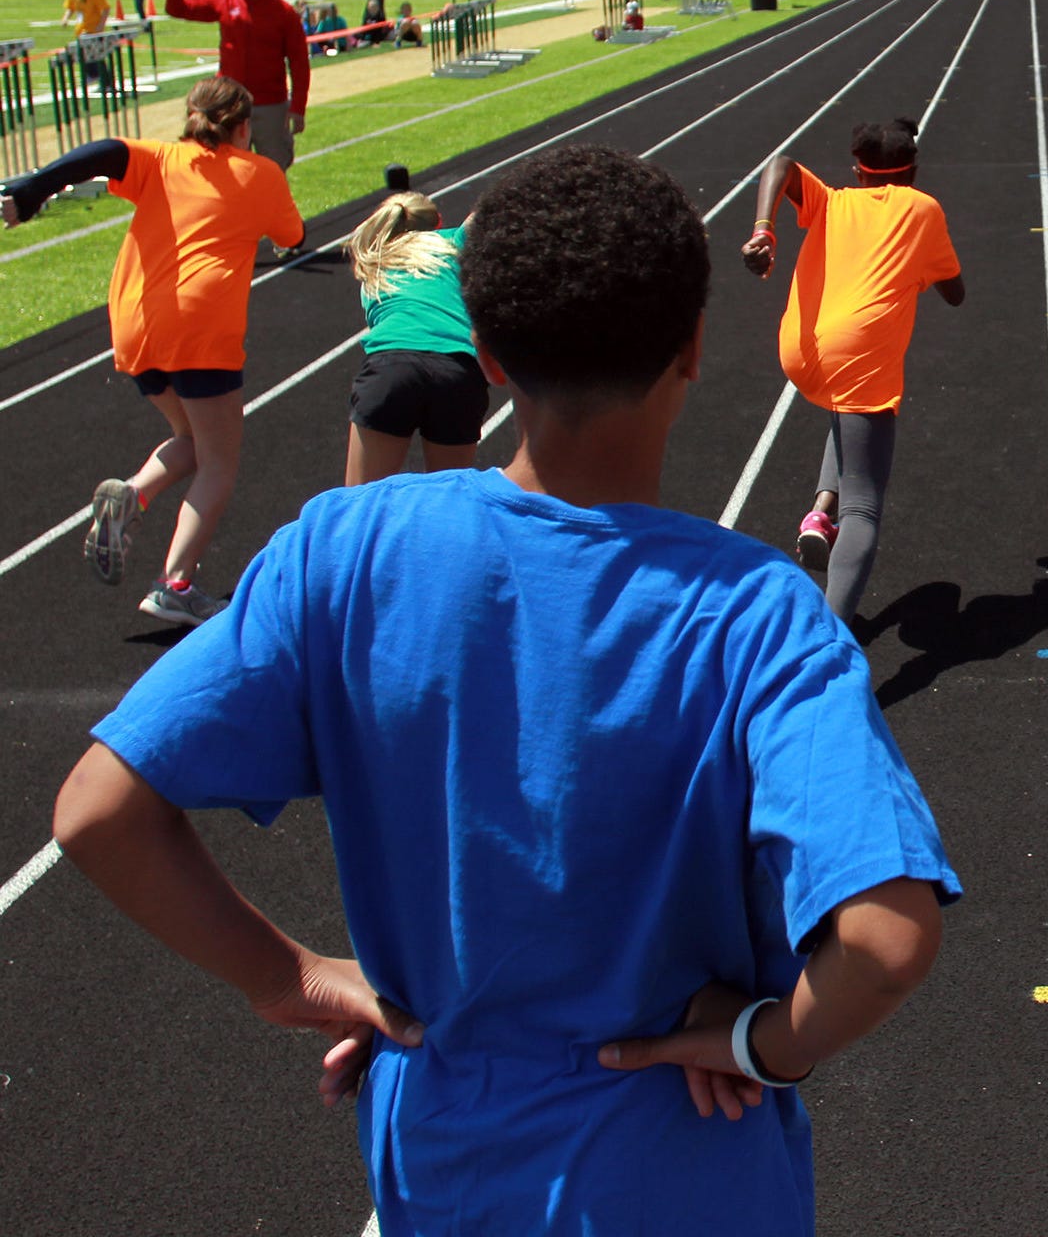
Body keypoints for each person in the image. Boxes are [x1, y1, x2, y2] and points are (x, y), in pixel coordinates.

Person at [48, 144, 959, 1235]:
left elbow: (99, 809)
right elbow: (885, 940)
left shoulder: (344, 551)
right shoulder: (758, 612)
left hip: (444, 1162)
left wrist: (287, 975)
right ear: (694, 350)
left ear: (483, 355)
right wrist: (759, 1040)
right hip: (687, 1173)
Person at [0, 77, 304, 626]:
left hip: (136, 325)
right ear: (242, 127)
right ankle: (176, 583)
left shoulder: (162, 160)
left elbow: (102, 153)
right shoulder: (261, 173)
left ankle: (133, 496)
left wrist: (33, 189)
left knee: (192, 439)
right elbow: (293, 233)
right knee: (220, 463)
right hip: (202, 329)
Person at [742, 119, 964, 625]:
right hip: (858, 356)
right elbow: (955, 291)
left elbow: (780, 163)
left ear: (859, 172)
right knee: (863, 508)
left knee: (848, 412)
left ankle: (820, 512)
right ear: (913, 170)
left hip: (802, 349)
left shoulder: (832, 200)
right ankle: (827, 640)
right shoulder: (923, 209)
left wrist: (763, 230)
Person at [344, 183, 487, 485]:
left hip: (392, 369)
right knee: (448, 500)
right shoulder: (451, 244)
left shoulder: (375, 261)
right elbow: (485, 213)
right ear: (437, 223)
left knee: (358, 506)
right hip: (458, 371)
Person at [165, 0, 311, 171]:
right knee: (228, 170)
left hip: (270, 105)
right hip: (229, 106)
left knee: (272, 171)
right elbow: (177, 9)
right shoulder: (223, 2)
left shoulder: (284, 13)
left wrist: (298, 107)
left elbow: (300, 62)